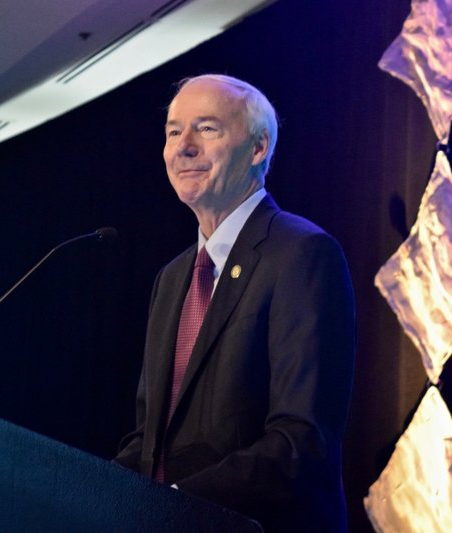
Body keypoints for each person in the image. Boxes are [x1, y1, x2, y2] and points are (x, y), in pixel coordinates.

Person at [114, 74, 355, 531]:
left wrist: (174, 504)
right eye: (172, 132)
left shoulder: (302, 255)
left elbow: (300, 442)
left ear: (258, 149)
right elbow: (151, 441)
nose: (183, 146)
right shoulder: (171, 278)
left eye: (206, 129)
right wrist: (90, 493)